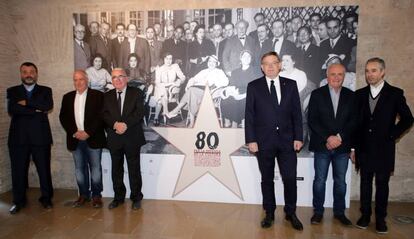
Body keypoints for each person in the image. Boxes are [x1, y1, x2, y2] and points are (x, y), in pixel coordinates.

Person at [352, 58, 413, 234]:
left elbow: (408, 119)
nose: (370, 74)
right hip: (363, 148)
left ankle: (380, 219)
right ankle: (364, 216)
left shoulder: (394, 93)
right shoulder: (360, 95)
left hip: (384, 149)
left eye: (373, 71)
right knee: (365, 183)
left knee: (382, 184)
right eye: (367, 71)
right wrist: (354, 148)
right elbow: (356, 124)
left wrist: (392, 135)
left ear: (382, 72)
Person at [245, 52, 303, 230]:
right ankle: (269, 213)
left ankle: (290, 212)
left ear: (280, 65)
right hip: (263, 142)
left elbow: (297, 115)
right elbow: (250, 116)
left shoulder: (291, 85)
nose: (270, 67)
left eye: (274, 63)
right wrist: (251, 140)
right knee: (267, 179)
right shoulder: (254, 86)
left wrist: (298, 137)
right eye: (266, 64)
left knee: (290, 178)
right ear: (262, 67)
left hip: (287, 142)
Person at [307, 63, 356, 226]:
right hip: (322, 146)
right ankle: (318, 212)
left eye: (340, 74)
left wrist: (339, 138)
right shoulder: (316, 94)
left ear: (344, 76)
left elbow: (354, 121)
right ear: (327, 76)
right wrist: (328, 138)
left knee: (341, 181)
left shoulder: (351, 96)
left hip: (342, 147)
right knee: (319, 180)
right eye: (333, 74)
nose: (336, 77)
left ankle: (339, 213)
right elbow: (312, 120)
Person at [7, 62, 54, 214]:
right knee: (18, 171)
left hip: (41, 138)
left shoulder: (46, 90)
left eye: (31, 72)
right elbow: (12, 109)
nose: (28, 74)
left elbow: (47, 106)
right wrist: (36, 110)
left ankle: (46, 199)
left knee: (44, 170)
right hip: (18, 139)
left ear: (36, 74)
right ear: (21, 74)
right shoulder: (12, 91)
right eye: (25, 72)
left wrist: (26, 103)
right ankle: (18, 201)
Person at [59, 70, 106, 208]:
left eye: (81, 79)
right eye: (75, 80)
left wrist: (88, 132)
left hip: (93, 138)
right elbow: (63, 117)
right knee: (79, 169)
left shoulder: (98, 96)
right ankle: (83, 195)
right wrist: (74, 132)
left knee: (95, 168)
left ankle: (96, 196)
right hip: (75, 139)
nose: (78, 82)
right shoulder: (67, 97)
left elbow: (101, 117)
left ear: (87, 80)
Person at [102, 68, 146, 210]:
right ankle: (118, 198)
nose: (118, 79)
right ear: (111, 80)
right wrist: (115, 124)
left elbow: (139, 113)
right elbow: (104, 114)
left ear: (126, 78)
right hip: (115, 138)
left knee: (134, 169)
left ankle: (136, 198)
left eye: (121, 76)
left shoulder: (137, 93)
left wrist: (125, 124)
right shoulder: (107, 96)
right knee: (116, 169)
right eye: (114, 77)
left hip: (132, 136)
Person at [167, 55, 228, 127]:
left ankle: (178, 112)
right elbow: (194, 79)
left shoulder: (219, 72)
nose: (211, 63)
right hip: (198, 90)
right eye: (210, 61)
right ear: (207, 62)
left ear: (217, 64)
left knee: (191, 91)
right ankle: (189, 121)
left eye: (213, 62)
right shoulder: (203, 71)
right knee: (191, 91)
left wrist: (215, 84)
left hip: (210, 93)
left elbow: (226, 82)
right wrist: (189, 83)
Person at [221, 50, 260, 128]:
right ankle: (228, 122)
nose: (246, 58)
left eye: (248, 56)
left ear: (251, 59)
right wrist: (229, 93)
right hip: (237, 92)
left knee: (239, 101)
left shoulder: (256, 71)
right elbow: (232, 86)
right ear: (240, 59)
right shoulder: (235, 72)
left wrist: (242, 95)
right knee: (227, 99)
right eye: (244, 56)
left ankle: (235, 124)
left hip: (250, 94)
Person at [153, 52, 185, 125]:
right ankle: (167, 113)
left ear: (172, 59)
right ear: (163, 59)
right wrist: (170, 83)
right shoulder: (159, 69)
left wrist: (179, 81)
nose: (168, 61)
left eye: (170, 59)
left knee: (160, 100)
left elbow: (183, 77)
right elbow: (157, 83)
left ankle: (157, 117)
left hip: (171, 91)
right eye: (166, 59)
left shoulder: (175, 66)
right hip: (159, 89)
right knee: (162, 89)